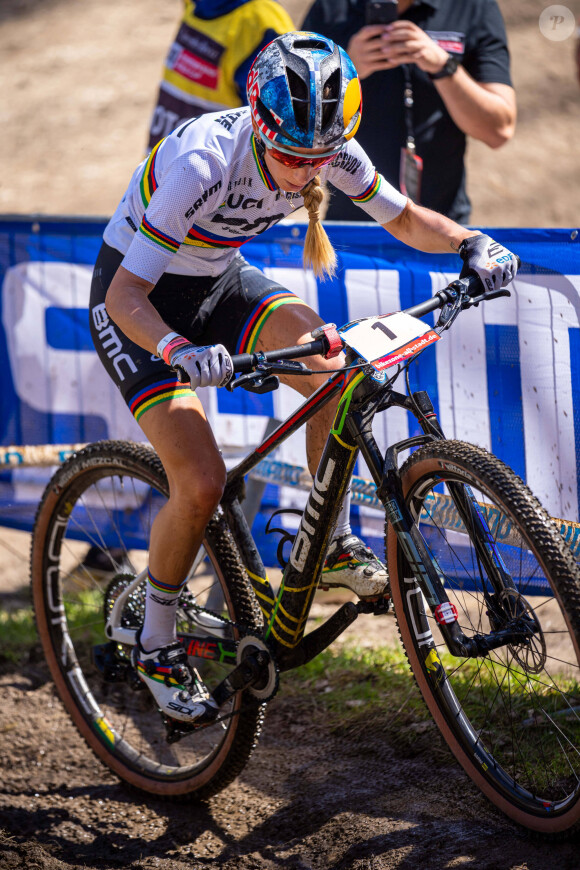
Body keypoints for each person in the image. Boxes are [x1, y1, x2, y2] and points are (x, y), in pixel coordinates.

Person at [90, 31, 518, 724]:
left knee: (335, 372)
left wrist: (471, 243)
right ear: (260, 126)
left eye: (319, 156)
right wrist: (176, 349)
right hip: (138, 301)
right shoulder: (204, 162)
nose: (304, 172)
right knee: (198, 480)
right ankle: (155, 638)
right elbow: (124, 298)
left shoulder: (328, 149)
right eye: (291, 155)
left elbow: (406, 217)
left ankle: (330, 545)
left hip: (216, 280)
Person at [302, 0, 516, 223]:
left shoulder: (472, 7)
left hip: (443, 229)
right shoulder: (329, 7)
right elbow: (290, 124)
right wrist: (343, 69)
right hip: (354, 230)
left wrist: (444, 67)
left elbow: (499, 131)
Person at [147, 0, 294, 150]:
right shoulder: (198, 5)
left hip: (209, 167)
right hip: (162, 161)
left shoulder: (262, 24)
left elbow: (269, 134)